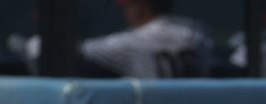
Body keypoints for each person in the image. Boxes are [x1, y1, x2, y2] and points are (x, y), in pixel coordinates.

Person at [77, 0, 213, 78]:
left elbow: (85, 49)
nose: (125, 12)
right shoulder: (196, 32)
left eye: (127, 6)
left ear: (141, 6)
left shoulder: (135, 40)